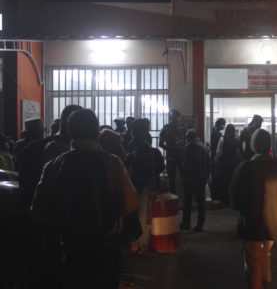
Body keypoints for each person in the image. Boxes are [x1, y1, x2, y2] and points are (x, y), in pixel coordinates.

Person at [31, 109, 139, 289]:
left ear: (69, 132)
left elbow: (38, 210)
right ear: (97, 133)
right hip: (106, 241)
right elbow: (130, 204)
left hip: (71, 242)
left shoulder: (54, 165)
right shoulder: (112, 163)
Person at [230, 129, 277, 289]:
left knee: (253, 262)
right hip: (274, 221)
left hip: (252, 222)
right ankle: (266, 282)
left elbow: (236, 200)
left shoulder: (246, 168)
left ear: (252, 145)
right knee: (265, 256)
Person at [126, 119, 165, 255]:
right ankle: (141, 242)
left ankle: (133, 242)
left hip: (132, 185)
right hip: (144, 187)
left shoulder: (130, 144)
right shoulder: (146, 148)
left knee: (134, 215)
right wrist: (153, 189)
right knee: (144, 216)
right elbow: (149, 171)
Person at [180, 129, 211, 232]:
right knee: (201, 203)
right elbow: (209, 165)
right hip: (202, 179)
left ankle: (186, 223)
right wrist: (206, 177)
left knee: (187, 202)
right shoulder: (204, 147)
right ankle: (200, 225)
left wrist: (184, 176)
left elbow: (186, 164)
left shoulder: (189, 146)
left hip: (190, 179)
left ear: (188, 137)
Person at [215, 124, 242, 205]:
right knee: (232, 182)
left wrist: (216, 162)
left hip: (224, 164)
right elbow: (238, 153)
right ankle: (232, 200)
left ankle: (224, 200)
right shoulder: (237, 140)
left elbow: (218, 153)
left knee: (224, 182)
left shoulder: (222, 139)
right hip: (234, 164)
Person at [159, 109, 184, 194]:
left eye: (177, 117)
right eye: (174, 117)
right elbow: (160, 144)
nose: (176, 119)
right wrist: (170, 149)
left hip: (181, 156)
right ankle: (173, 198)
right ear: (171, 118)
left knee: (184, 178)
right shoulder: (165, 128)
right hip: (171, 156)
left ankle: (184, 200)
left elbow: (185, 142)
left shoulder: (182, 128)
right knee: (171, 179)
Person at [209, 118, 226, 201]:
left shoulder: (214, 132)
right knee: (216, 178)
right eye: (223, 125)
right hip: (216, 158)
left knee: (215, 177)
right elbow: (217, 149)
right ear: (220, 124)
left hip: (214, 157)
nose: (224, 127)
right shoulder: (217, 134)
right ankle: (215, 196)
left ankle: (214, 196)